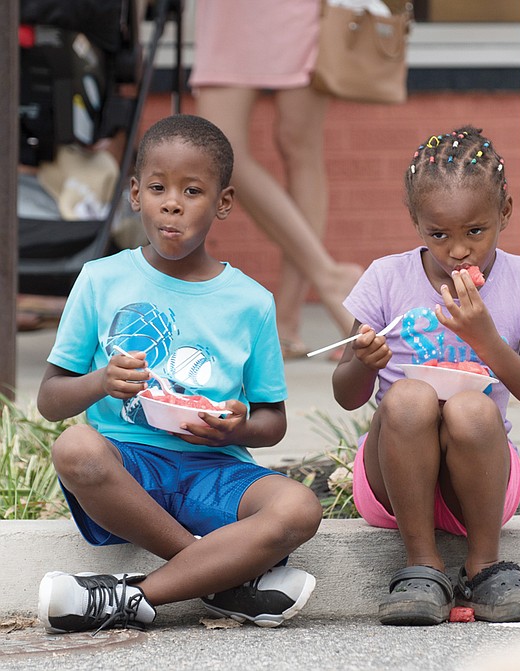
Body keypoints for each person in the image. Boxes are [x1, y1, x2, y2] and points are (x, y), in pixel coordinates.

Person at [36, 114, 323, 634]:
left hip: (214, 468)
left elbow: (272, 420)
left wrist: (238, 427)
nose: (172, 202)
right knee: (74, 448)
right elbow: (51, 399)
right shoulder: (101, 280)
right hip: (130, 468)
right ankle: (217, 581)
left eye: (192, 190)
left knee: (299, 507)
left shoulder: (251, 302)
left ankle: (135, 598)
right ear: (134, 193)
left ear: (223, 203)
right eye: (158, 188)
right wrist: (100, 381)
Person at [332, 126, 520, 626]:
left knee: (470, 406)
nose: (458, 251)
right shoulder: (385, 278)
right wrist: (363, 362)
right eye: (439, 235)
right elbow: (347, 395)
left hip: (479, 489)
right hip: (393, 484)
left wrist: (488, 342)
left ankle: (485, 567)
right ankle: (421, 565)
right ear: (416, 223)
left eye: (474, 232)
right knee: (410, 397)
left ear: (504, 212)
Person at [190, 0, 362, 358]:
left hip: (299, 11)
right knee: (220, 147)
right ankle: (329, 276)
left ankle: (286, 323)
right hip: (228, 13)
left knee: (300, 145)